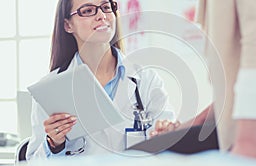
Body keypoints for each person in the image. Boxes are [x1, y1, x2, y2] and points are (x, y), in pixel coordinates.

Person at [148, 0, 256, 164]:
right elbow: (232, 85)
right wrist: (192, 124)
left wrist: (248, 144)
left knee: (141, 154)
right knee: (146, 149)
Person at [26, 0, 174, 159]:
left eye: (106, 7)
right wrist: (53, 144)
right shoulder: (51, 90)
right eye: (88, 10)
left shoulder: (147, 81)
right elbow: (33, 161)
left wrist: (166, 138)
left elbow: (171, 148)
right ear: (68, 25)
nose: (102, 16)